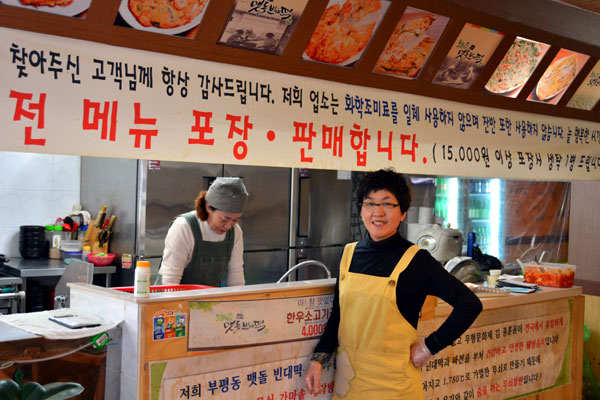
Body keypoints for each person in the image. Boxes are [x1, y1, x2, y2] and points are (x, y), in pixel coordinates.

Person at [304, 169, 482, 399]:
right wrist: (319, 359)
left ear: (403, 212)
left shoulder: (417, 260)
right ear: (361, 210)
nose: (378, 212)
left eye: (387, 204)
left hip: (394, 388)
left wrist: (429, 346)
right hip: (349, 386)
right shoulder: (348, 254)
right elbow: (338, 315)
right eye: (370, 203)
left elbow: (469, 305)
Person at [156, 177, 248, 287]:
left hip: (208, 302)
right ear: (208, 207)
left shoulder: (235, 232)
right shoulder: (184, 227)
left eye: (235, 220)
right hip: (174, 298)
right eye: (224, 219)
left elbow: (236, 276)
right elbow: (170, 280)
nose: (229, 226)